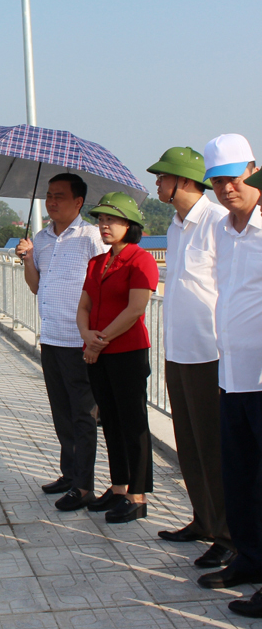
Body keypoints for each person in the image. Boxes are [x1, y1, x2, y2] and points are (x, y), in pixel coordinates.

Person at [146, 148, 233, 567]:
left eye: (162, 177)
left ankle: (227, 532)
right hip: (178, 350)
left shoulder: (217, 222)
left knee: (214, 446)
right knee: (190, 445)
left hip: (209, 353)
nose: (157, 185)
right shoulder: (176, 226)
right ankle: (202, 518)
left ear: (182, 181)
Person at [195, 135, 262, 616]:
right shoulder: (222, 228)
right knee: (239, 478)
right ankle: (248, 559)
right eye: (217, 181)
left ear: (254, 169)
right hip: (233, 374)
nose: (226, 188)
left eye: (234, 178)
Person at [16, 173, 106, 511]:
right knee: (61, 413)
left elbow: (103, 285)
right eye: (49, 196)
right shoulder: (40, 239)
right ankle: (68, 475)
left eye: (59, 196)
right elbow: (36, 285)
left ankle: (84, 487)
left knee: (84, 415)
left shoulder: (91, 238)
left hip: (78, 340)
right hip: (51, 337)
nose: (51, 202)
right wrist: (27, 258)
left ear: (78, 202)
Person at [77, 193, 159, 523]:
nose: (105, 226)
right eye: (100, 220)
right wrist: (86, 335)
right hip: (98, 351)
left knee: (133, 423)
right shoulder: (97, 262)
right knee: (109, 419)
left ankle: (138, 497)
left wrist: (99, 341)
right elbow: (84, 306)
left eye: (112, 220)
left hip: (126, 352)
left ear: (130, 225)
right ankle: (119, 487)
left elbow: (136, 308)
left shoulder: (141, 260)